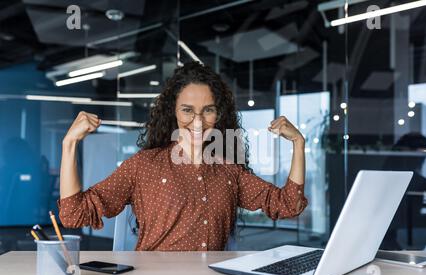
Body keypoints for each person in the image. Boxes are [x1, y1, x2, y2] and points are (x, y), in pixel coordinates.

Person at [58, 61, 308, 251]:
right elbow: (74, 214)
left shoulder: (230, 172)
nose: (198, 121)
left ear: (218, 114)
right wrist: (69, 144)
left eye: (207, 110)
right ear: (173, 111)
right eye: (187, 110)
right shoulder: (143, 166)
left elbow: (288, 205)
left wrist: (298, 142)